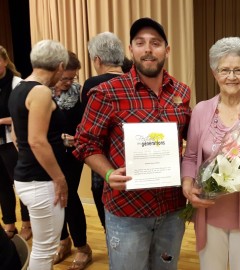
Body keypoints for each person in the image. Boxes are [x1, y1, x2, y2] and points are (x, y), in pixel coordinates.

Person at [73, 18, 191, 270]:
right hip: (127, 211)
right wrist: (107, 172)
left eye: (155, 43)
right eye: (141, 43)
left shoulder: (181, 93)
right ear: (131, 49)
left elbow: (191, 139)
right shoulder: (107, 93)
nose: (148, 49)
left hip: (172, 209)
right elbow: (85, 143)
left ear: (167, 51)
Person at [181, 37, 240, 270]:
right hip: (210, 209)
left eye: (237, 70)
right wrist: (187, 184)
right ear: (214, 73)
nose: (231, 77)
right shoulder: (201, 110)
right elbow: (191, 156)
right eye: (225, 70)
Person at [8, 39, 69, 270]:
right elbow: (35, 141)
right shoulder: (41, 91)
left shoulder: (19, 88)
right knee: (45, 250)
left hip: (27, 178)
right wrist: (59, 178)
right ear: (60, 66)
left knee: (43, 248)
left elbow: (17, 137)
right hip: (41, 182)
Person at [51, 51, 92, 269]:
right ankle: (63, 241)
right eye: (64, 78)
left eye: (72, 78)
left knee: (68, 197)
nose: (69, 82)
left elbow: (87, 124)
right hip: (49, 154)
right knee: (54, 199)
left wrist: (77, 137)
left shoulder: (81, 93)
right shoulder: (42, 93)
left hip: (73, 154)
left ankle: (83, 247)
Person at [81, 32, 125, 230]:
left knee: (102, 192)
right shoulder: (133, 80)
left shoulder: (93, 85)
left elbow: (87, 128)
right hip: (125, 151)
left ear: (97, 59)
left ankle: (112, 236)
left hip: (103, 154)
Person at [0, 45, 32, 241]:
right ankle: (9, 224)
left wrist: (1, 121)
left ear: (4, 61)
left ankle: (27, 223)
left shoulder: (17, 83)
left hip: (13, 141)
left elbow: (23, 113)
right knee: (2, 185)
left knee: (20, 184)